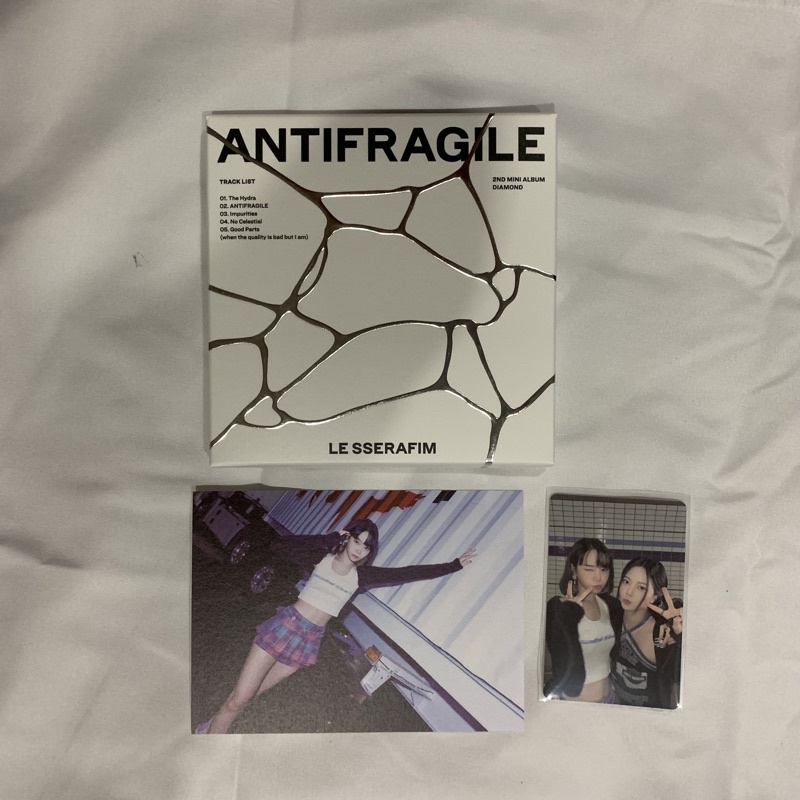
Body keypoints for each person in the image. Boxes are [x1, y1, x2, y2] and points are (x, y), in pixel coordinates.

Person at [196, 518, 477, 733]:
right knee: (239, 699)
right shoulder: (321, 558)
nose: (360, 549)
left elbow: (408, 573)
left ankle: (211, 728)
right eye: (357, 541)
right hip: (285, 626)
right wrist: (328, 538)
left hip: (308, 640)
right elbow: (279, 545)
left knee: (252, 696)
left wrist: (453, 565)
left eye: (366, 546)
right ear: (348, 537)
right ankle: (209, 737)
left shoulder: (361, 577)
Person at [544, 537, 620, 703]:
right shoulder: (557, 607)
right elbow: (547, 666)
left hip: (610, 699)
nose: (598, 577)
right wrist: (566, 621)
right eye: (589, 569)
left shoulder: (611, 605)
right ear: (573, 569)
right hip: (573, 705)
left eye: (604, 569)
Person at [612, 557, 684, 709]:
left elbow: (679, 676)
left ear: (655, 596)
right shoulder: (613, 615)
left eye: (641, 588)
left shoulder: (661, 633)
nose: (629, 592)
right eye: (626, 581)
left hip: (651, 716)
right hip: (616, 709)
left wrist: (680, 635)